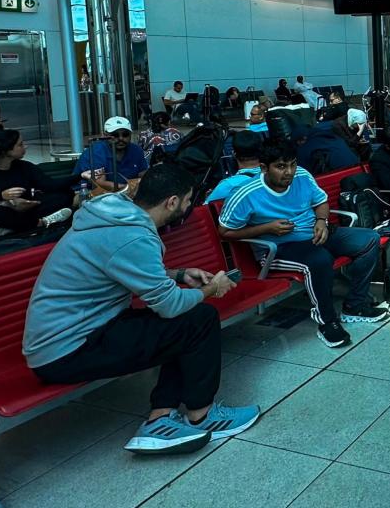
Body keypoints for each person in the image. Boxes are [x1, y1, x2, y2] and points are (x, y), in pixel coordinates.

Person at [23, 163, 259, 454]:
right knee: (198, 318)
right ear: (172, 202)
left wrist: (180, 274)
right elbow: (170, 306)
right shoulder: (132, 235)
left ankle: (161, 419)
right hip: (67, 351)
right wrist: (211, 289)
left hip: (76, 335)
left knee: (185, 324)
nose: (188, 207)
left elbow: (118, 265)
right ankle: (201, 414)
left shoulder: (114, 214)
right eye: (187, 201)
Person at [217, 139, 386, 348]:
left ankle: (356, 304)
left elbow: (320, 201)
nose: (289, 172)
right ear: (263, 168)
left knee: (369, 239)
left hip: (315, 235)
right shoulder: (246, 194)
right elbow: (224, 231)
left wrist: (321, 222)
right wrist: (266, 228)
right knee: (319, 260)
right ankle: (327, 322)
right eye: (280, 166)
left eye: (292, 164)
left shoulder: (302, 176)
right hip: (278, 250)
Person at [0, 128, 73, 239]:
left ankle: (12, 227)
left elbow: (49, 185)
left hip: (24, 210)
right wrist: (2, 197)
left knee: (63, 196)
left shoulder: (24, 166)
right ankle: (40, 223)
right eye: (20, 145)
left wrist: (80, 176)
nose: (25, 147)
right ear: (7, 150)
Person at [75, 116, 150, 195]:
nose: (121, 138)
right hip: (89, 193)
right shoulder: (97, 151)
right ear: (104, 135)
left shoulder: (136, 150)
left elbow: (143, 174)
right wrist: (129, 188)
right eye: (115, 135)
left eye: (125, 134)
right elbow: (100, 183)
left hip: (123, 193)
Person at [205, 131, 263, 204]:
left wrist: (209, 197)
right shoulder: (272, 176)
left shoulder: (229, 184)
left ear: (234, 154)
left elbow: (205, 208)